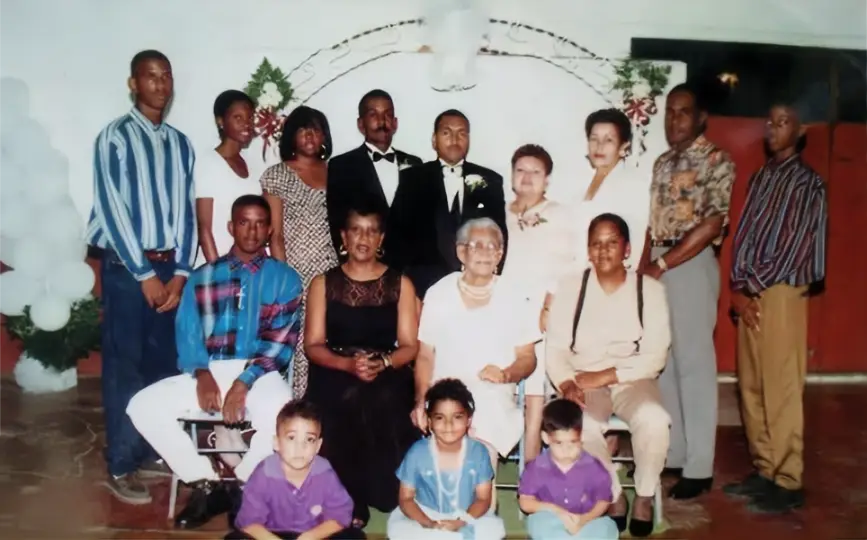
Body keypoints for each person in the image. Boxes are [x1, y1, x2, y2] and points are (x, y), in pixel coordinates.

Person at [126, 195, 303, 529]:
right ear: (231, 227)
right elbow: (188, 334)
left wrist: (242, 384)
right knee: (142, 406)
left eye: (260, 224)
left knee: (283, 414)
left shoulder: (285, 278)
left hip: (259, 371)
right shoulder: (202, 277)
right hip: (208, 369)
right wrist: (202, 373)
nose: (252, 231)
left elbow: (279, 343)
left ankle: (243, 485)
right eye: (244, 222)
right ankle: (206, 483)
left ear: (269, 230)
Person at [84, 49, 196, 505]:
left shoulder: (181, 143)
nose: (160, 84)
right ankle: (121, 463)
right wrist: (145, 274)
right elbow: (112, 210)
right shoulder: (114, 138)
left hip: (169, 269)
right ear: (133, 84)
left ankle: (150, 449)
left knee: (161, 367)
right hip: (128, 269)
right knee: (125, 368)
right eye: (150, 76)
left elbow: (187, 212)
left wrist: (181, 273)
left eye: (166, 75)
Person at [724, 99, 827, 514]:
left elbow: (796, 246)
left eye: (783, 122)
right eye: (770, 122)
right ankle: (765, 469)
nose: (773, 128)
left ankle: (788, 480)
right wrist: (738, 289)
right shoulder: (762, 177)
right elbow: (744, 237)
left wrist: (752, 288)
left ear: (800, 132)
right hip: (751, 292)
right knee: (751, 386)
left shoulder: (808, 183)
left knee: (781, 387)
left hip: (781, 293)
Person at [638, 82, 736, 500]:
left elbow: (713, 223)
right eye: (670, 112)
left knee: (695, 366)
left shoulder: (716, 159)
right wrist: (645, 265)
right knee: (666, 364)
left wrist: (662, 264)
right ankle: (675, 453)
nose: (674, 119)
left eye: (683, 112)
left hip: (690, 264)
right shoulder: (662, 162)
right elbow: (653, 222)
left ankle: (699, 466)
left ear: (700, 118)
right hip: (660, 264)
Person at [547, 213, 671, 537]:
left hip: (633, 378)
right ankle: (614, 495)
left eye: (612, 242)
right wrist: (566, 382)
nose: (603, 250)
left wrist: (607, 375)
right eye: (596, 244)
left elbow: (656, 356)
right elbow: (555, 348)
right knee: (580, 426)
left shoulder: (650, 290)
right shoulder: (571, 289)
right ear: (588, 250)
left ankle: (644, 495)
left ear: (627, 249)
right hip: (582, 379)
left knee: (655, 419)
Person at [304, 199, 422, 527]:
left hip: (385, 367)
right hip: (335, 367)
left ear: (381, 239)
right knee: (346, 397)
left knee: (383, 398)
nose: (364, 238)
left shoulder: (401, 283)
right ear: (344, 236)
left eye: (372, 231)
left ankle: (385, 490)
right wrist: (346, 365)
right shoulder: (323, 283)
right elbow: (313, 345)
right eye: (356, 230)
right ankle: (350, 499)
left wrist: (383, 362)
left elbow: (410, 346)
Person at [413, 218, 538, 474]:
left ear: (500, 255)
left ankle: (482, 497)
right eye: (476, 245)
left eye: (492, 246)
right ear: (461, 252)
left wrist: (506, 374)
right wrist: (420, 401)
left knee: (484, 423)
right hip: (445, 390)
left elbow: (528, 358)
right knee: (449, 415)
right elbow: (425, 356)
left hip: (493, 390)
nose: (485, 252)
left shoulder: (516, 295)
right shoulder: (439, 293)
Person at [500, 144, 577, 462]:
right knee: (502, 384)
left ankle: (531, 465)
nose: (527, 177)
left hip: (540, 311)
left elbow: (567, 266)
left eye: (536, 171)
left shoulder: (558, 214)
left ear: (547, 179)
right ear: (511, 176)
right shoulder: (501, 212)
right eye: (521, 170)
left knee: (534, 392)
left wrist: (548, 306)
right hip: (503, 309)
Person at [386, 109, 507, 299]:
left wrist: (489, 281)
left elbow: (499, 236)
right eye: (446, 133)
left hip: (475, 285)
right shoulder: (413, 179)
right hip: (422, 287)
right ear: (434, 140)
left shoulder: (490, 180)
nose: (454, 139)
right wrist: (405, 289)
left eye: (461, 133)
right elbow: (395, 235)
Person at [261, 106, 338, 398]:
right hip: (296, 272)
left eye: (316, 129)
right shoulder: (277, 175)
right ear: (291, 135)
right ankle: (299, 408)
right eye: (303, 129)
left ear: (324, 137)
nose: (310, 135)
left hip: (333, 273)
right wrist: (287, 282)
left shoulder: (337, 172)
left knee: (330, 342)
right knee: (301, 345)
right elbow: (276, 235)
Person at [227, 400, 365, 540]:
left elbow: (341, 514)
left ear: (318, 446)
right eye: (291, 438)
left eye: (309, 439)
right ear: (276, 443)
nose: (300, 447)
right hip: (272, 534)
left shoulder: (325, 472)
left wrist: (309, 537)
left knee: (355, 537)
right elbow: (249, 522)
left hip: (314, 535)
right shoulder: (264, 473)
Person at [387, 379, 506, 540]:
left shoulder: (478, 452)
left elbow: (483, 499)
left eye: (457, 417)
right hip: (425, 515)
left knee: (493, 530)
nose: (448, 425)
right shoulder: (416, 452)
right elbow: (406, 499)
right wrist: (430, 523)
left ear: (468, 420)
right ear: (429, 421)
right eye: (440, 418)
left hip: (467, 515)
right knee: (399, 530)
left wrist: (460, 522)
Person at [326, 89, 423, 257]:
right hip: (363, 262)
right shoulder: (341, 166)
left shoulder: (415, 164)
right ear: (361, 124)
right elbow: (337, 221)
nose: (382, 121)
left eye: (388, 115)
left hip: (409, 264)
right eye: (373, 115)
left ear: (395, 123)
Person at [518, 399, 618, 540]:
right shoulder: (536, 468)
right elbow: (525, 502)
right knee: (538, 522)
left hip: (585, 520)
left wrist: (583, 520)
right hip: (552, 519)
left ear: (581, 437)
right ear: (546, 438)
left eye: (573, 442)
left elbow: (603, 500)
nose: (566, 449)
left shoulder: (593, 467)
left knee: (607, 527)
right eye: (559, 443)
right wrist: (558, 512)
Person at [196, 89, 266, 267]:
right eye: (238, 118)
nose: (246, 124)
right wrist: (218, 273)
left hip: (248, 267)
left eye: (250, 118)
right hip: (217, 264)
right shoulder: (208, 163)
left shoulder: (253, 163)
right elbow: (204, 229)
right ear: (221, 121)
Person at [574, 108, 650, 268]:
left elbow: (637, 242)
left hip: (612, 274)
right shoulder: (581, 183)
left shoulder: (634, 185)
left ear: (623, 147)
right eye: (594, 139)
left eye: (608, 140)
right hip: (580, 272)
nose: (599, 146)